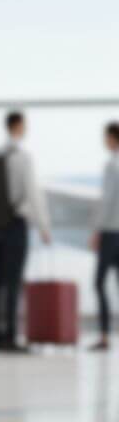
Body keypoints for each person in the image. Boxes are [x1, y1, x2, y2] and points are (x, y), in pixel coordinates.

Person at [0, 111, 52, 354]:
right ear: (17, 126)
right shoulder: (23, 157)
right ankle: (11, 338)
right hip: (15, 223)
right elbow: (33, 194)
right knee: (13, 282)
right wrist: (44, 227)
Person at [89, 121, 119, 352]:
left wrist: (97, 230)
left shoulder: (112, 164)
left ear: (112, 138)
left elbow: (108, 200)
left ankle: (105, 336)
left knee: (99, 283)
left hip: (110, 232)